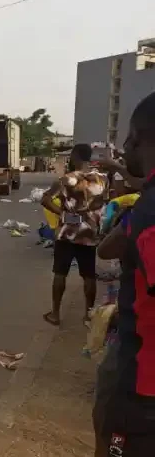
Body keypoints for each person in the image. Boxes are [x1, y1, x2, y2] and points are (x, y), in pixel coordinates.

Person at [92, 91, 155, 457]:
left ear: (140, 139)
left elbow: (107, 248)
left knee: (112, 440)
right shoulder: (145, 200)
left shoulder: (149, 211)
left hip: (143, 390)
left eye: (128, 139)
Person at [41, 143, 108, 327]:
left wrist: (62, 213)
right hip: (90, 232)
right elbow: (105, 203)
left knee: (60, 273)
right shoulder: (101, 180)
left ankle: (55, 314)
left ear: (75, 156)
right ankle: (88, 315)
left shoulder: (65, 180)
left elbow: (45, 199)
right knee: (89, 275)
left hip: (68, 232)